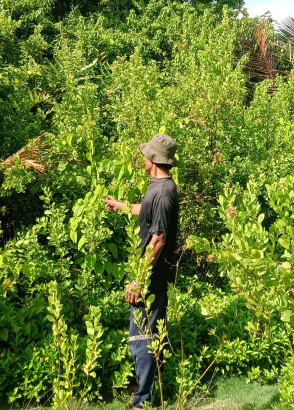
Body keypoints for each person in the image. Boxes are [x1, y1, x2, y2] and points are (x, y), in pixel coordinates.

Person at [103, 133, 180, 410]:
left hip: (149, 279)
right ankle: (149, 394)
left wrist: (138, 279)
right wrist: (124, 207)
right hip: (152, 277)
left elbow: (157, 239)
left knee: (141, 339)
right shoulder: (161, 186)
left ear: (153, 159)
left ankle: (142, 402)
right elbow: (149, 212)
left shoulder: (161, 192)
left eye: (145, 154)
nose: (143, 158)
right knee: (149, 335)